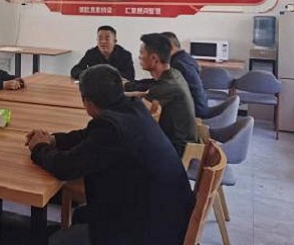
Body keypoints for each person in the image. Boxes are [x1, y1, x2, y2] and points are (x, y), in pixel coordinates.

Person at [26, 65, 194, 244]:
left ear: (87, 102)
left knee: (59, 239)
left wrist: (39, 148)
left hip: (151, 231)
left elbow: (66, 168)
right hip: (168, 213)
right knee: (82, 215)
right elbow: (87, 135)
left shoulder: (110, 128)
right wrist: (53, 140)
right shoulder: (132, 107)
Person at [124, 33, 197, 156]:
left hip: (177, 150)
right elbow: (145, 91)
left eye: (142, 53)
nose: (139, 57)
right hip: (176, 142)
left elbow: (134, 110)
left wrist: (113, 94)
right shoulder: (174, 74)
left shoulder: (166, 86)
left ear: (154, 58)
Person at [161, 32, 210, 118]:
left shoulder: (177, 64)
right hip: (200, 105)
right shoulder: (186, 57)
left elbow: (169, 90)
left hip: (194, 112)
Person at [70, 25, 135, 81]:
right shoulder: (91, 53)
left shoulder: (125, 55)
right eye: (100, 38)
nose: (103, 42)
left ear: (115, 41)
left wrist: (105, 76)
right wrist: (87, 75)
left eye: (107, 39)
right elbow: (75, 70)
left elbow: (130, 75)